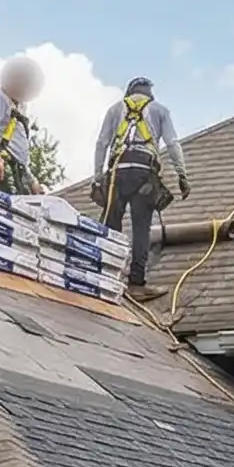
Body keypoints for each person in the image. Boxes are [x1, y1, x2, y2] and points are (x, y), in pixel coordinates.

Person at [91, 77, 190, 301]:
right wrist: (182, 176)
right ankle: (136, 284)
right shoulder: (160, 110)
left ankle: (106, 273)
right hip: (144, 173)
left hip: (118, 171)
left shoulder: (115, 109)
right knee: (141, 228)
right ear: (150, 94)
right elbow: (173, 144)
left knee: (111, 224)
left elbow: (102, 143)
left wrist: (97, 179)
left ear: (129, 92)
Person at [0, 56, 44, 191]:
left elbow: (17, 147)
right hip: (0, 167)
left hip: (16, 170)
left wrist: (31, 180)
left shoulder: (19, 105)